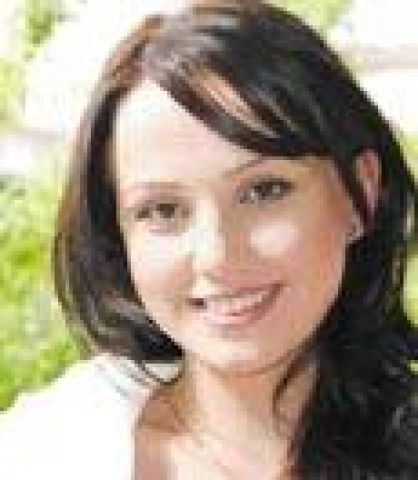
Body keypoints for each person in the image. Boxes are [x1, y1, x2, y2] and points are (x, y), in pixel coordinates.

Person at [1, 0, 418, 478]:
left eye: (264, 191)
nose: (217, 255)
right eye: (163, 211)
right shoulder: (43, 455)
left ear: (359, 193)